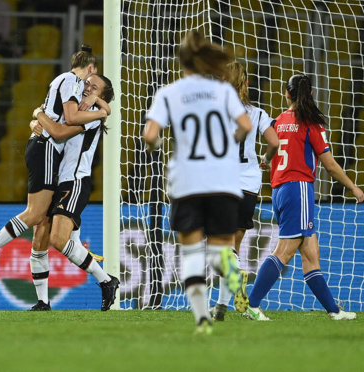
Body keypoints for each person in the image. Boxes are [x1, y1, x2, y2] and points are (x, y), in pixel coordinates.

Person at [143, 31, 252, 334]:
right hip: (224, 180)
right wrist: (228, 144)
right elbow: (245, 125)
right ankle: (231, 274)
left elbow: (150, 135)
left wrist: (155, 146)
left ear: (180, 63)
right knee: (220, 250)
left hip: (188, 180)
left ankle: (202, 319)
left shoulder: (169, 93)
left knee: (191, 253)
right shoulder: (223, 92)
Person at [243, 74, 364, 321]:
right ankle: (251, 304)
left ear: (286, 94)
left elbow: (272, 150)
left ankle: (334, 310)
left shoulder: (276, 122)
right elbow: (329, 165)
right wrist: (353, 187)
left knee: (311, 255)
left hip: (279, 191)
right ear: (309, 94)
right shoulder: (311, 124)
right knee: (284, 252)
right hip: (298, 189)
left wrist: (267, 162)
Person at [28, 73, 117, 311]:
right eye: (87, 83)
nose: (87, 87)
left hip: (75, 182)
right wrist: (36, 120)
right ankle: (42, 302)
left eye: (94, 87)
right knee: (39, 239)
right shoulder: (75, 106)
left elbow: (58, 130)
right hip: (57, 182)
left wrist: (38, 115)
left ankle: (106, 281)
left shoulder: (89, 117)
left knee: (58, 239)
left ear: (101, 96)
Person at [210, 61, 279, 321]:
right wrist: (267, 157)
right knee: (233, 247)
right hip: (248, 185)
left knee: (223, 248)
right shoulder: (257, 113)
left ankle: (239, 297)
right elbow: (274, 141)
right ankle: (222, 307)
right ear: (247, 83)